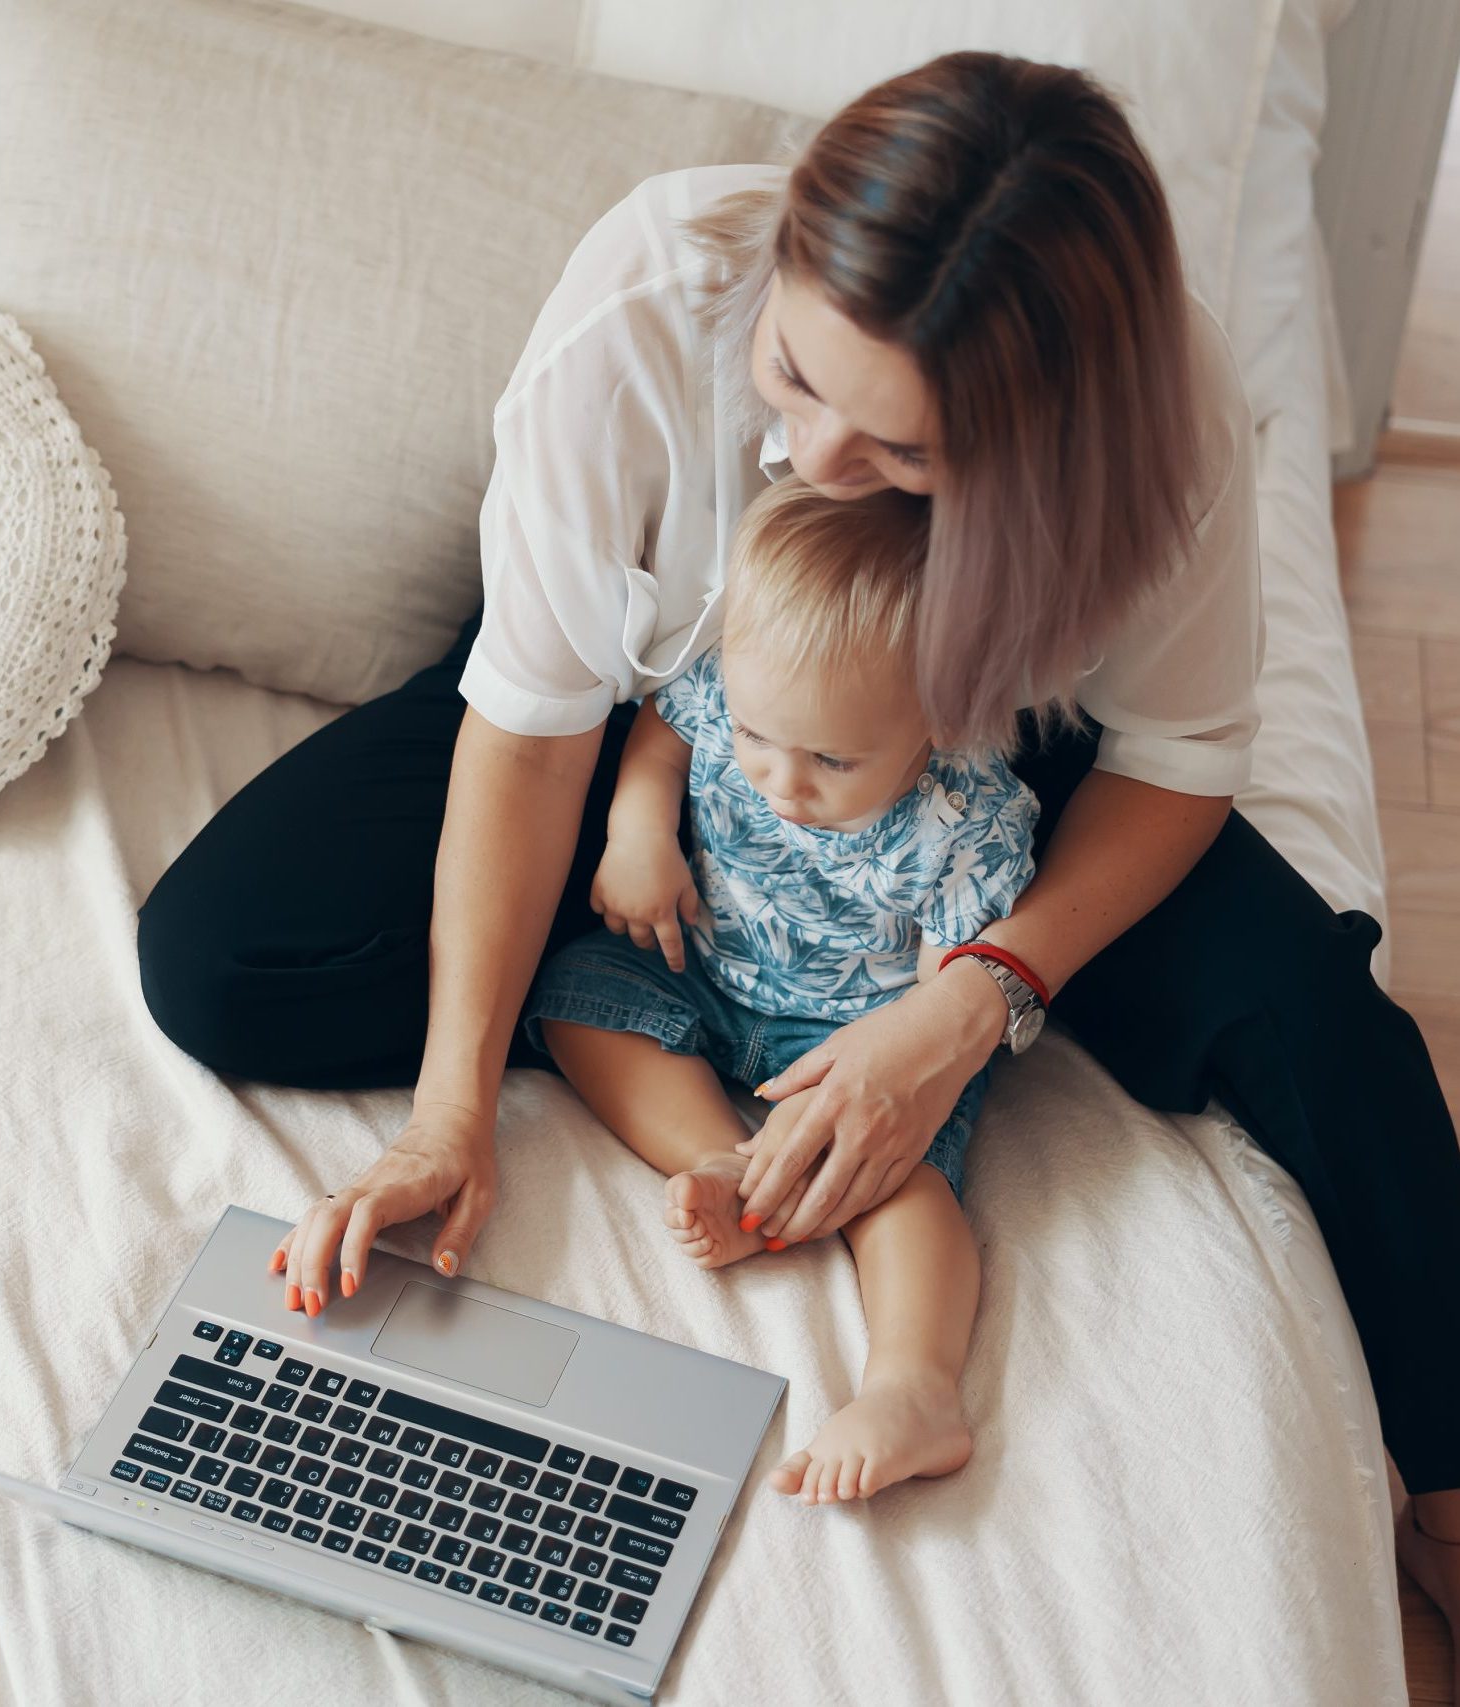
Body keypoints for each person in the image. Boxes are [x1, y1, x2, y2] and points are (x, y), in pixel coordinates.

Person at [136, 50, 1460, 1638]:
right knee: (219, 960)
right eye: (793, 377)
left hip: (975, 770)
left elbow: (1176, 762)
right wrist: (448, 1107)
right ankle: (690, 1015)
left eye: (904, 456)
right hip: (662, 725)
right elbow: (533, 720)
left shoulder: (1154, 425)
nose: (814, 465)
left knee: (1317, 1024)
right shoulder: (648, 302)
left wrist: (967, 1000)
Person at [528, 474, 1036, 1503]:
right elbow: (663, 741)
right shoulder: (732, 693)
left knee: (905, 1191)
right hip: (706, 976)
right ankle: (733, 1161)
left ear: (945, 718)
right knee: (580, 993)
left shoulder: (967, 816)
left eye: (832, 759)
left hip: (861, 1043)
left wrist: (895, 1074)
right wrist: (637, 832)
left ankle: (913, 1388)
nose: (778, 779)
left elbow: (946, 1004)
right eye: (758, 737)